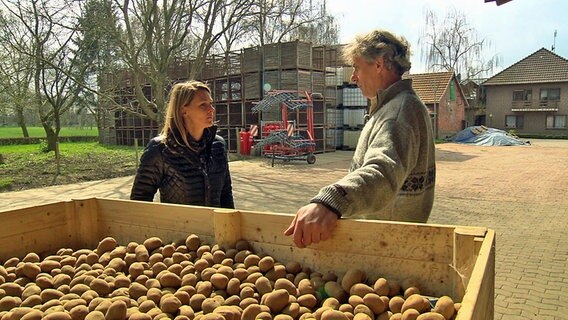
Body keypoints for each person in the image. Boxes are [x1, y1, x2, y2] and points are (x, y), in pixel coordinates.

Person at [284, 29, 436, 248]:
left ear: (379, 64)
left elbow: (382, 171)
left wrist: (331, 201)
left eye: (356, 67)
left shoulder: (398, 113)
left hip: (390, 245)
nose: (353, 77)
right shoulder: (394, 106)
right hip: (392, 239)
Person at [130, 80, 235, 209]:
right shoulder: (160, 149)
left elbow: (226, 195)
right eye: (203, 105)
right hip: (177, 228)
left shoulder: (218, 145)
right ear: (184, 110)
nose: (211, 109)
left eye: (211, 104)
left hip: (216, 227)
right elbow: (139, 201)